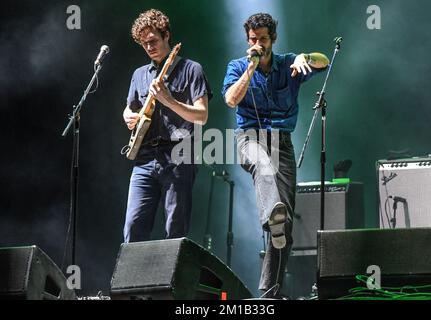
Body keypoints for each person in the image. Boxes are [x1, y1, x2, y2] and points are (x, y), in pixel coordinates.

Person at [222, 13, 329, 298]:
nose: (259, 43)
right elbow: (231, 99)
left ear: (273, 39)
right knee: (262, 165)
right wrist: (250, 68)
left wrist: (307, 56)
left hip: (282, 143)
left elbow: (325, 61)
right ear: (248, 40)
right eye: (254, 39)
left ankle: (270, 292)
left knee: (283, 230)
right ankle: (272, 212)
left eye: (264, 39)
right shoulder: (237, 66)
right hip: (250, 139)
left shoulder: (288, 64)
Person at [122, 9, 212, 243]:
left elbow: (202, 116)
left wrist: (168, 100)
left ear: (166, 36)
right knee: (133, 226)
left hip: (179, 155)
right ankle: (135, 279)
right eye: (144, 44)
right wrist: (128, 116)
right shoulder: (139, 74)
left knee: (175, 229)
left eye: (153, 41)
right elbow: (128, 108)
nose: (149, 47)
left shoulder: (192, 69)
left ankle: (172, 280)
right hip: (144, 158)